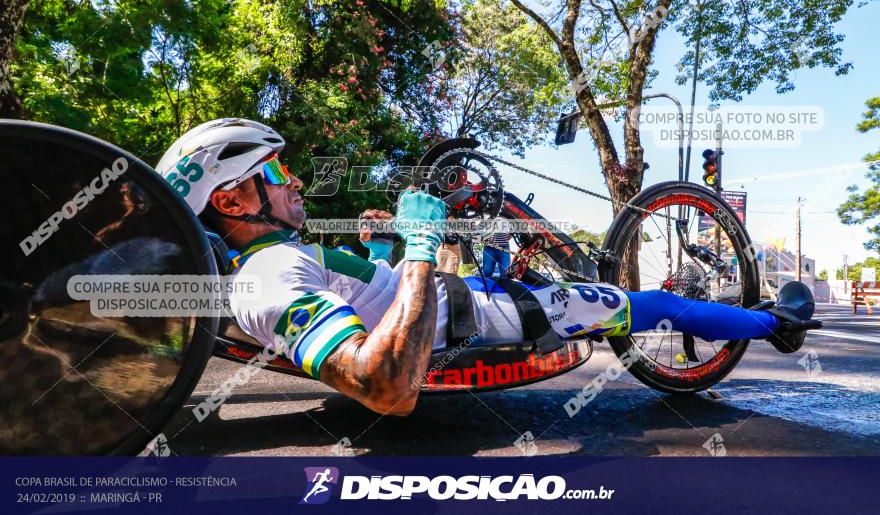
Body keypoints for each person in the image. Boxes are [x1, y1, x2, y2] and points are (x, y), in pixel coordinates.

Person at [157, 118, 822, 416]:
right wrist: (419, 242)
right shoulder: (266, 279)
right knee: (653, 305)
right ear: (232, 197)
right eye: (274, 170)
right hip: (494, 314)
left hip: (461, 292)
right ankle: (778, 320)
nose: (295, 178)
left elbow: (369, 295)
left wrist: (391, 246)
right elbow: (385, 385)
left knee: (544, 253)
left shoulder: (274, 257)